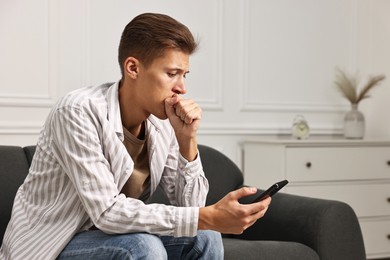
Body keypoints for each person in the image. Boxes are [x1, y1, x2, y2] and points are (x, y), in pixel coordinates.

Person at [0, 13, 271, 260]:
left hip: (110, 237)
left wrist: (186, 139)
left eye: (184, 75)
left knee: (205, 238)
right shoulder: (77, 111)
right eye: (172, 73)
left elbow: (192, 209)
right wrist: (206, 216)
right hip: (52, 244)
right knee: (142, 247)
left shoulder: (162, 121)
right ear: (133, 68)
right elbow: (107, 213)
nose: (182, 88)